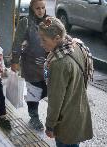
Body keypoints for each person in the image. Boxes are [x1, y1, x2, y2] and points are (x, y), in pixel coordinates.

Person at [38, 17, 93, 147]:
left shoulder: (59, 63)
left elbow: (55, 100)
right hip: (79, 111)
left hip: (65, 120)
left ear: (57, 38)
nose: (41, 43)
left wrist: (50, 125)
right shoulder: (76, 45)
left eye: (43, 40)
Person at [11, 0, 49, 130]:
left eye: (43, 7)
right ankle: (34, 117)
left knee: (46, 90)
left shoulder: (49, 21)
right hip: (31, 64)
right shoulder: (25, 22)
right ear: (32, 9)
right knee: (34, 91)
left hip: (47, 64)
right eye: (37, 8)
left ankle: (33, 101)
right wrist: (14, 61)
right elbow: (17, 42)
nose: (41, 11)